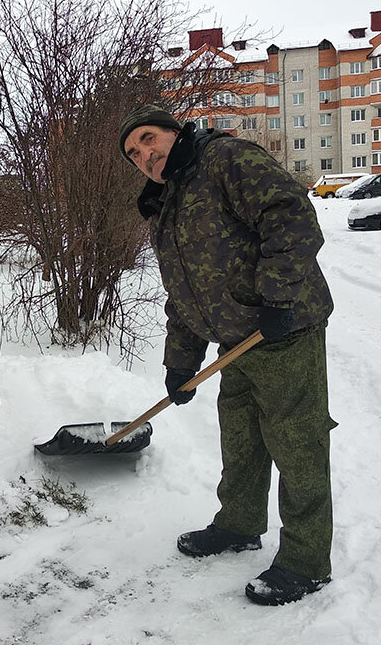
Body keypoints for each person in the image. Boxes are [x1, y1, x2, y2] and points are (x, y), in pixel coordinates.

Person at [118, 105, 336, 605]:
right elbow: (186, 290)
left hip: (283, 330)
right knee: (241, 438)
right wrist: (181, 361)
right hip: (236, 342)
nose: (144, 155)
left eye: (149, 139)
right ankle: (238, 525)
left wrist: (278, 297)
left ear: (174, 133)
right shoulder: (167, 201)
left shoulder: (225, 159)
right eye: (134, 154)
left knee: (296, 443)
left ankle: (306, 561)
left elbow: (293, 215)